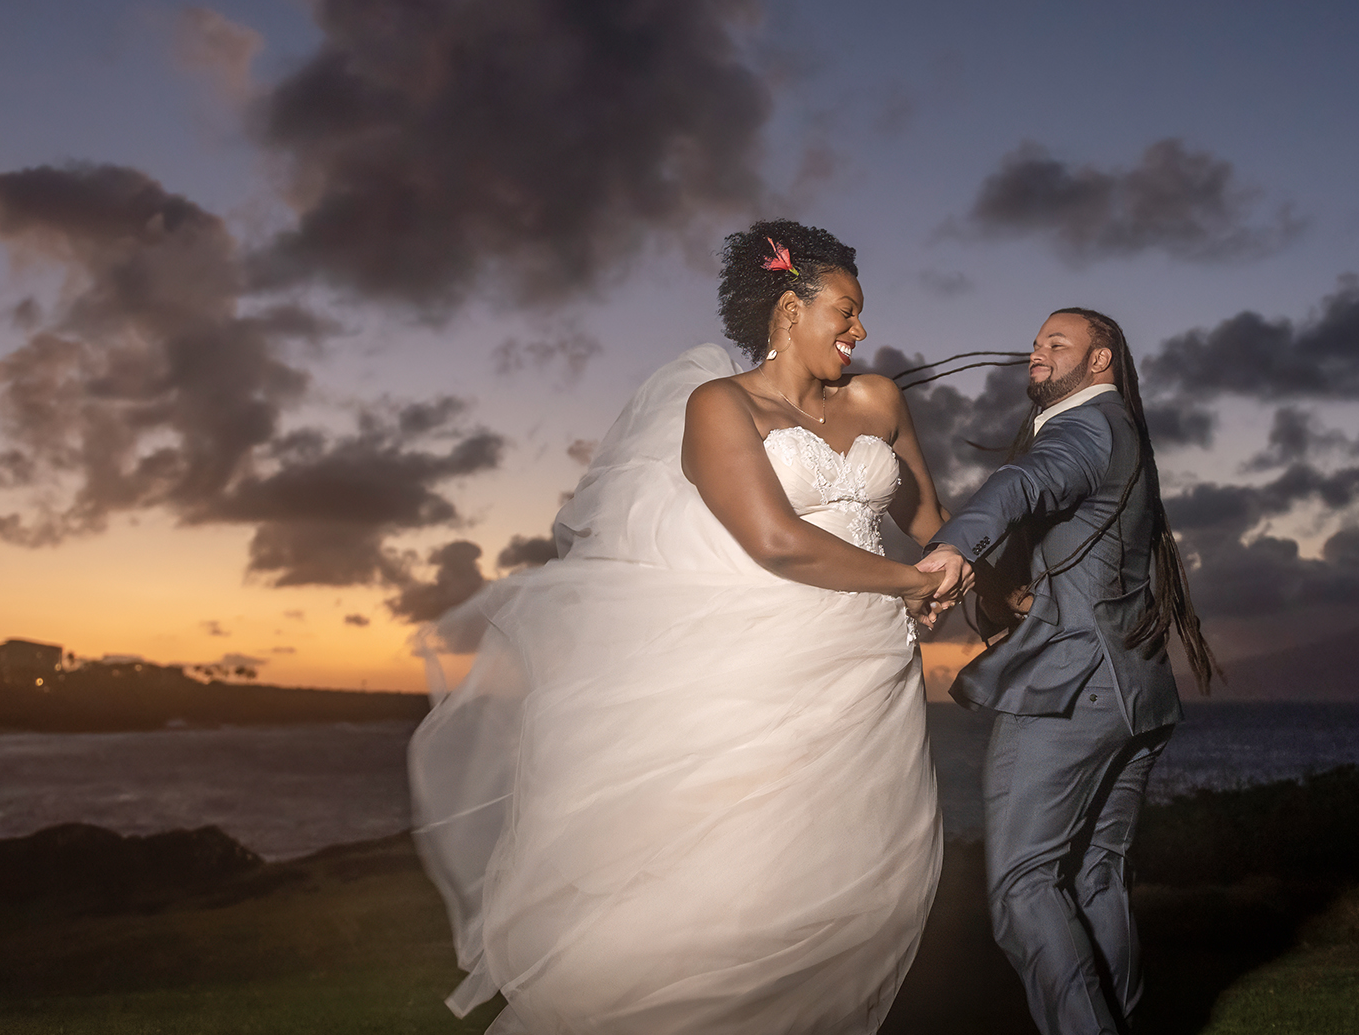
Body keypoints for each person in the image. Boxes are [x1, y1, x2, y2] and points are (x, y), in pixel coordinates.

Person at [410, 220, 950, 1034]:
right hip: (769, 667)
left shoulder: (878, 400)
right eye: (846, 310)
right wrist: (910, 581)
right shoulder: (720, 405)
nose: (860, 329)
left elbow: (930, 521)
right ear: (790, 308)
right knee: (737, 885)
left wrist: (963, 575)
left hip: (876, 673)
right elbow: (773, 540)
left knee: (852, 887)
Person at [917, 308, 1219, 1035]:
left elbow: (1025, 480)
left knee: (1024, 889)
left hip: (1072, 695)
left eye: (1058, 342)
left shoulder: (1084, 427)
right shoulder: (1124, 432)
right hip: (1137, 693)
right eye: (1035, 343)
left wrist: (956, 546)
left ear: (1100, 359)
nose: (1037, 352)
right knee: (1096, 878)